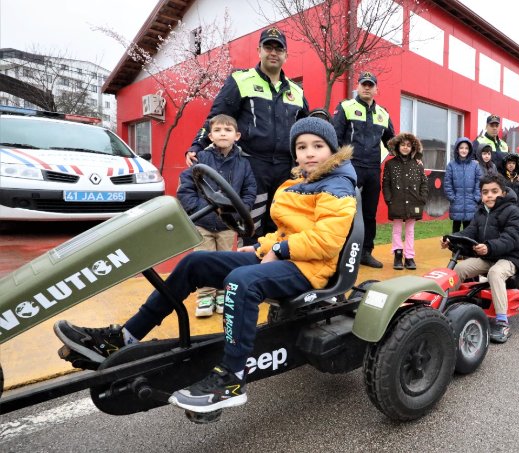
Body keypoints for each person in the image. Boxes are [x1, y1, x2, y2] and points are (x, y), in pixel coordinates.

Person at [54, 118, 357, 413]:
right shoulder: (296, 183)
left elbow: (326, 240)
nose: (309, 153)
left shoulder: (338, 185)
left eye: (318, 145)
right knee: (196, 262)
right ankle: (124, 338)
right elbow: (286, 231)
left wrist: (277, 249)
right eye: (302, 147)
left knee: (243, 281)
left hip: (310, 268)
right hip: (285, 255)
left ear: (332, 150)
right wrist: (264, 246)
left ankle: (232, 379)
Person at [185, 27, 310, 245]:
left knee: (282, 222)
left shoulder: (296, 92)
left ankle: (274, 270)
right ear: (259, 50)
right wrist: (197, 144)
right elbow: (217, 117)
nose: (273, 52)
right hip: (252, 166)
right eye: (268, 47)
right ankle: (249, 272)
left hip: (286, 168)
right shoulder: (241, 80)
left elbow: (307, 129)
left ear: (286, 55)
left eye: (279, 48)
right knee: (252, 226)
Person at [176, 114, 258, 318]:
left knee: (224, 260)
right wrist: (196, 209)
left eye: (228, 130)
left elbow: (249, 189)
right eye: (218, 130)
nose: (223, 133)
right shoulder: (201, 159)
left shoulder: (243, 164)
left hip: (228, 224)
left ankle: (222, 293)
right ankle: (205, 295)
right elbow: (186, 186)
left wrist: (241, 210)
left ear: (237, 136)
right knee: (204, 259)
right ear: (210, 136)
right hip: (202, 223)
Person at [442, 174, 519, 344]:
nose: (489, 195)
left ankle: (502, 321)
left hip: (511, 257)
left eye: (494, 191)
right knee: (459, 269)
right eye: (485, 192)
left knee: (495, 273)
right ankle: (446, 306)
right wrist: (451, 239)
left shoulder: (513, 211)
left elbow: (511, 238)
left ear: (503, 193)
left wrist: (488, 246)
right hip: (489, 256)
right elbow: (469, 232)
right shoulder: (481, 212)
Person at [332, 71, 396, 268]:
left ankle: (365, 252)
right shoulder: (345, 107)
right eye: (364, 84)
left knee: (369, 213)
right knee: (346, 211)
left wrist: (412, 157)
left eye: (371, 85)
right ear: (358, 87)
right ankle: (341, 252)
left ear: (376, 89)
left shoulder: (383, 114)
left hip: (373, 170)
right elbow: (334, 137)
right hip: (349, 168)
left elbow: (392, 142)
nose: (367, 88)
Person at [382, 132, 428, 270]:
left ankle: (409, 257)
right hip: (396, 202)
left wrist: (422, 198)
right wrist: (389, 199)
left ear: (413, 148)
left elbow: (424, 183)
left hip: (414, 202)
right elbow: (386, 184)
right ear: (398, 146)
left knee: (410, 230)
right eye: (403, 145)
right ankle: (397, 255)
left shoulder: (418, 164)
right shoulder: (390, 164)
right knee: (396, 230)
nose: (405, 147)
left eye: (408, 145)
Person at [444, 137, 483, 233]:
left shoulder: (475, 165)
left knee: (468, 228)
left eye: (466, 148)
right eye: (461, 148)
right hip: (456, 201)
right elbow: (447, 183)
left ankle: (466, 247)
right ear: (457, 149)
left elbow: (480, 182)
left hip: (471, 202)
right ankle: (455, 247)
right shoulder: (451, 165)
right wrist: (452, 197)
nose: (464, 150)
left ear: (469, 150)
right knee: (456, 228)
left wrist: (476, 197)